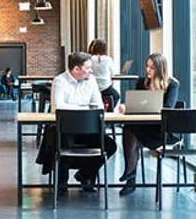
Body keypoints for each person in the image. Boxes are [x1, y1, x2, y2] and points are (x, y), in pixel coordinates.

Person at [37, 52, 117, 193]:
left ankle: (85, 175)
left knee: (110, 145)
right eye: (88, 67)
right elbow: (58, 107)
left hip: (87, 129)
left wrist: (79, 110)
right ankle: (61, 181)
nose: (91, 70)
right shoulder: (60, 81)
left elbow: (98, 105)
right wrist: (85, 109)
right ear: (76, 69)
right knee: (62, 142)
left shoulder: (91, 80)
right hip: (65, 128)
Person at [118, 53, 179, 196]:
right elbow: (137, 103)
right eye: (147, 66)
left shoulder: (172, 85)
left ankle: (130, 176)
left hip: (162, 131)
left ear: (160, 68)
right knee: (129, 129)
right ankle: (130, 174)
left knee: (131, 132)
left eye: (152, 67)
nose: (148, 70)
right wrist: (127, 107)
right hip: (144, 127)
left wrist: (150, 107)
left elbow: (168, 107)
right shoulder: (141, 82)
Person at [91, 39, 120, 108]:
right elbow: (113, 73)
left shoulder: (90, 59)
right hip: (106, 87)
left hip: (94, 86)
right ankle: (108, 110)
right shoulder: (108, 59)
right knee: (116, 96)